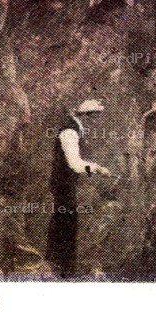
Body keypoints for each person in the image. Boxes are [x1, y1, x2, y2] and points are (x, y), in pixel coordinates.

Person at [47, 98, 113, 277]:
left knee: (65, 221)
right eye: (94, 117)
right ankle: (63, 270)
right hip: (63, 184)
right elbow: (74, 164)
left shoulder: (74, 129)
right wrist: (97, 168)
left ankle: (58, 266)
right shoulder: (69, 131)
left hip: (65, 184)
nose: (96, 121)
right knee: (67, 223)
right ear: (87, 116)